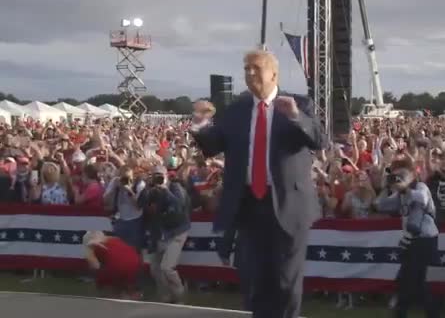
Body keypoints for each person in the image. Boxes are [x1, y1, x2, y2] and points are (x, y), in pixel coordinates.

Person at [190, 49, 326, 318]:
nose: (250, 73)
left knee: (286, 279)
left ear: (273, 74)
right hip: (251, 205)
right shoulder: (237, 109)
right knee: (255, 278)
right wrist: (200, 127)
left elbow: (319, 139)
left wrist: (296, 117)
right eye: (246, 69)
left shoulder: (299, 103)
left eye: (256, 68)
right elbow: (215, 144)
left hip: (288, 204)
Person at [374, 158, 440, 318]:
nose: (398, 178)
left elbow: (422, 199)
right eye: (395, 175)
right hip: (411, 240)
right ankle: (430, 313)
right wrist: (385, 187)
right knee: (415, 281)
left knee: (409, 280)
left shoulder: (420, 187)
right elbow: (380, 205)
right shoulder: (399, 194)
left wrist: (404, 188)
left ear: (412, 174)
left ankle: (402, 312)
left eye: (402, 174)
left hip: (425, 240)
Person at [138, 165, 191, 304]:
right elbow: (140, 204)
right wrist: (146, 187)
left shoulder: (175, 188)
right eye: (155, 175)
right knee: (155, 268)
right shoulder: (151, 190)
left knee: (167, 267)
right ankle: (165, 295)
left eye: (160, 175)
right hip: (160, 232)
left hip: (177, 231)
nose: (158, 178)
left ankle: (180, 294)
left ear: (167, 175)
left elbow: (179, 205)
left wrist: (165, 190)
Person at [83, 230, 142, 300]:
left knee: (103, 285)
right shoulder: (115, 239)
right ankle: (133, 296)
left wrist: (89, 252)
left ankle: (112, 299)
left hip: (117, 267)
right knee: (128, 283)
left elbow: (95, 266)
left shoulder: (92, 245)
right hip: (136, 262)